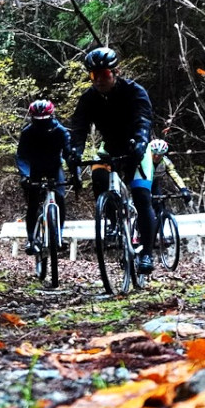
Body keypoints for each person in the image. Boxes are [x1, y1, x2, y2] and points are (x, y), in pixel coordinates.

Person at [67, 47, 157, 272]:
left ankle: (146, 253)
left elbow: (144, 119)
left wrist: (140, 141)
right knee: (98, 176)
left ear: (116, 72)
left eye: (104, 74)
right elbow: (79, 127)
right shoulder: (89, 98)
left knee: (142, 197)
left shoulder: (134, 91)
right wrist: (75, 151)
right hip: (108, 149)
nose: (98, 80)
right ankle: (112, 221)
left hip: (136, 146)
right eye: (93, 75)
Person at [16, 99, 80, 256]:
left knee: (59, 198)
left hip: (54, 167)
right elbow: (21, 156)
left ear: (52, 116)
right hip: (34, 168)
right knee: (32, 202)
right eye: (37, 120)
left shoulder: (60, 131)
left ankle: (58, 234)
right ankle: (31, 239)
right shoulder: (27, 132)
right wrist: (25, 175)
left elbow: (68, 153)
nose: (41, 123)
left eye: (44, 120)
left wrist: (75, 174)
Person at [143, 139, 193, 206]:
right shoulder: (143, 160)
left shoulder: (165, 162)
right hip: (141, 186)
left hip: (154, 186)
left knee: (160, 206)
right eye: (154, 154)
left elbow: (175, 176)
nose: (157, 157)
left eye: (160, 155)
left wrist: (183, 189)